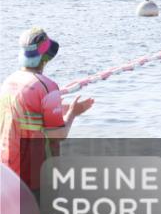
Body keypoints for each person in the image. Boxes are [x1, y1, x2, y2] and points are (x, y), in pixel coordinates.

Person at [0, 27, 94, 197]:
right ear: (45, 59)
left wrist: (62, 108)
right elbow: (59, 134)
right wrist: (73, 113)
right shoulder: (47, 86)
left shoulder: (8, 82)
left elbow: (25, 115)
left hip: (7, 174)